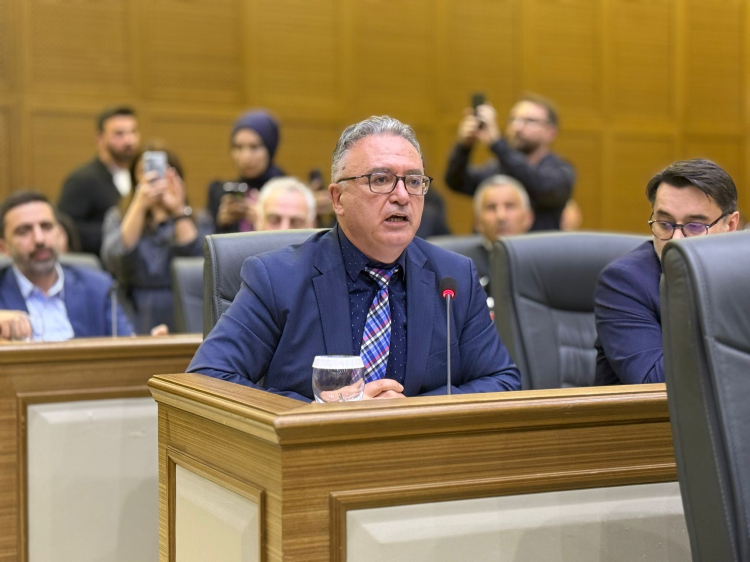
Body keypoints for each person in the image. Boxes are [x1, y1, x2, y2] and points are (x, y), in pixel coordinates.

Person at [188, 116, 521, 402]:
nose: (402, 196)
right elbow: (208, 378)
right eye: (381, 180)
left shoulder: (454, 276)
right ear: (338, 199)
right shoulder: (276, 278)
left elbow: (501, 380)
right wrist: (331, 410)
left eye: (413, 181)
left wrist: (411, 411)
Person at [595, 158, 740, 385]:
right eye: (664, 223)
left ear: (730, 226)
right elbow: (655, 383)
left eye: (695, 226)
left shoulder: (742, 274)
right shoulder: (623, 282)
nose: (676, 240)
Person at [101, 146, 211, 334]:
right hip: (133, 309)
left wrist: (178, 210)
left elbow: (200, 263)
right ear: (134, 178)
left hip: (183, 308)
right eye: (144, 171)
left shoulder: (198, 218)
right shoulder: (118, 216)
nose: (154, 177)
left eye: (162, 170)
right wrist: (139, 205)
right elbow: (114, 260)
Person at [0, 191, 133, 341]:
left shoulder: (98, 288)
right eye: (24, 231)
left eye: (46, 227)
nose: (39, 239)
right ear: (3, 248)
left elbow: (129, 348)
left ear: (59, 233)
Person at [444, 93, 574, 231]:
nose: (517, 127)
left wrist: (497, 144)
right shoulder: (498, 167)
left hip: (538, 244)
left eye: (530, 121)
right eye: (513, 120)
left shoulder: (560, 170)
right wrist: (464, 146)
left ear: (551, 132)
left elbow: (542, 187)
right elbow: (456, 182)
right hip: (492, 244)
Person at [58, 106, 140, 256]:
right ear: (100, 139)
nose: (129, 140)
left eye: (133, 132)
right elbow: (66, 228)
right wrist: (114, 231)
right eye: (119, 134)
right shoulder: (82, 180)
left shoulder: (141, 177)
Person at [206, 110, 285, 233]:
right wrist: (221, 225)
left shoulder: (288, 193)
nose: (245, 157)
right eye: (238, 147)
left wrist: (266, 222)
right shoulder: (221, 192)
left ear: (270, 148)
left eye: (254, 147)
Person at [470, 175, 534, 282]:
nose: (501, 216)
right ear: (477, 222)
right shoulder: (464, 269)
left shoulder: (545, 262)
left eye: (510, 206)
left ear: (528, 218)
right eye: (491, 207)